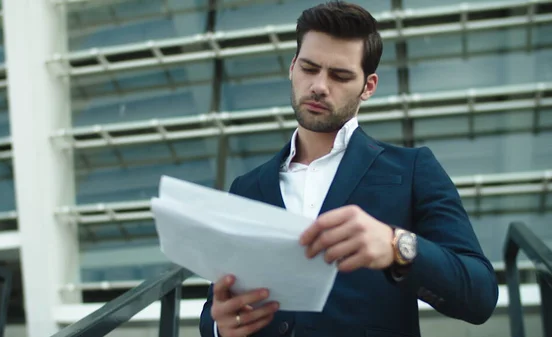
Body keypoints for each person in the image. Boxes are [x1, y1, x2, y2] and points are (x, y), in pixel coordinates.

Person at [199, 1, 499, 336]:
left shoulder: (413, 169)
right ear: (292, 67)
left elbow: (480, 295)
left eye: (340, 75)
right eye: (309, 68)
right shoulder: (246, 187)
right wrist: (219, 326)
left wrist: (394, 245)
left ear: (368, 87)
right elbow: (216, 305)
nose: (319, 86)